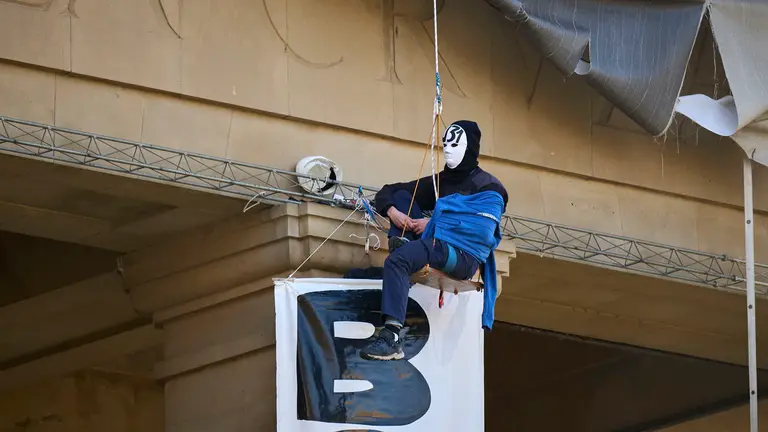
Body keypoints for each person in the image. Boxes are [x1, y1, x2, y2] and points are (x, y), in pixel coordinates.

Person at [360, 120, 508, 361]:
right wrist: (393, 212)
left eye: (455, 144)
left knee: (397, 262)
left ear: (470, 148)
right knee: (401, 196)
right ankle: (405, 248)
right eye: (445, 144)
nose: (448, 149)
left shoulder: (489, 186)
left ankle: (392, 337)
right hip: (436, 245)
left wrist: (435, 223)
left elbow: (481, 231)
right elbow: (388, 191)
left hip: (461, 255)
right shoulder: (441, 182)